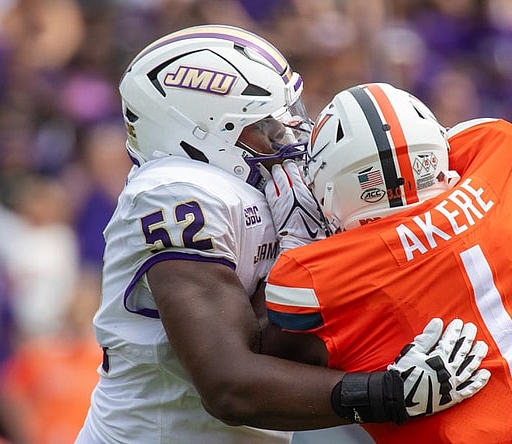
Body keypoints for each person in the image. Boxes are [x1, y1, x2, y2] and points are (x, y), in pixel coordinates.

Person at [75, 25, 490, 444]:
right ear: (200, 132)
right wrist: (388, 393)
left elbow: (276, 346)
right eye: (265, 125)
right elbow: (229, 387)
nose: (288, 138)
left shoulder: (264, 187)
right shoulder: (175, 194)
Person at [262, 83, 512, 443]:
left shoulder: (312, 274)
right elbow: (465, 138)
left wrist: (299, 240)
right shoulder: (493, 160)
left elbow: (265, 368)